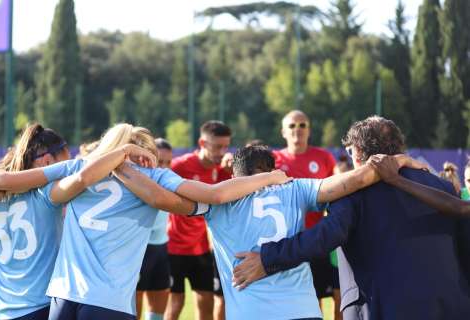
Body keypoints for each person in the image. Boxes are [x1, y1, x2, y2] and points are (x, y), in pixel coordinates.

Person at [0, 123, 289, 320]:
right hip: (108, 303)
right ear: (143, 152)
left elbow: (5, 182)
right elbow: (215, 195)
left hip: (62, 299)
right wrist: (269, 177)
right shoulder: (154, 175)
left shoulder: (79, 168)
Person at [115, 144, 423, 320]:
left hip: (251, 314)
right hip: (302, 312)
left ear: (234, 174)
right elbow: (352, 181)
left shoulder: (217, 200)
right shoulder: (295, 187)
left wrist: (123, 167)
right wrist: (397, 160)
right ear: (272, 169)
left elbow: (159, 199)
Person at [232, 116, 470, 319]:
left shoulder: (352, 191)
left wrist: (268, 258)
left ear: (357, 153)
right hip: (451, 305)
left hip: (382, 307)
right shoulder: (443, 187)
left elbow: (325, 236)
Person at [0, 123, 160, 320]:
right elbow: (81, 178)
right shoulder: (45, 194)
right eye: (65, 160)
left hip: (0, 312)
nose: (68, 166)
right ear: (48, 162)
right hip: (41, 307)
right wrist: (123, 154)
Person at [273, 110, 340, 319]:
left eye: (302, 125)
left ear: (309, 130)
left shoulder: (324, 157)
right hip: (287, 241)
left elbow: (340, 187)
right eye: (292, 126)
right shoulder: (273, 160)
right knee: (300, 301)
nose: (297, 130)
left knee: (332, 296)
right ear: (283, 131)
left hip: (319, 239)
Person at [166, 120, 233, 320]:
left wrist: (231, 170)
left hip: (202, 247)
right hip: (174, 247)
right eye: (217, 146)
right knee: (175, 303)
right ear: (202, 143)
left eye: (226, 146)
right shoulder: (179, 166)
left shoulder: (220, 170)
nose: (222, 152)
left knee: (206, 303)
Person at [136, 138, 174, 320]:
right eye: (160, 162)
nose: (165, 167)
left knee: (158, 312)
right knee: (132, 310)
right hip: (139, 249)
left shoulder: (170, 180)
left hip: (161, 248)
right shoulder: (137, 182)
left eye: (169, 162)